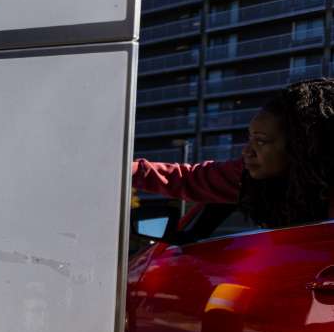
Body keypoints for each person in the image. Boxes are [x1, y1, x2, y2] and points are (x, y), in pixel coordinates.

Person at [132, 78, 334, 228]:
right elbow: (188, 178)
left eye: (261, 141)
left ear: (302, 146)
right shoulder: (248, 176)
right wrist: (123, 170)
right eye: (250, 138)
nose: (247, 151)